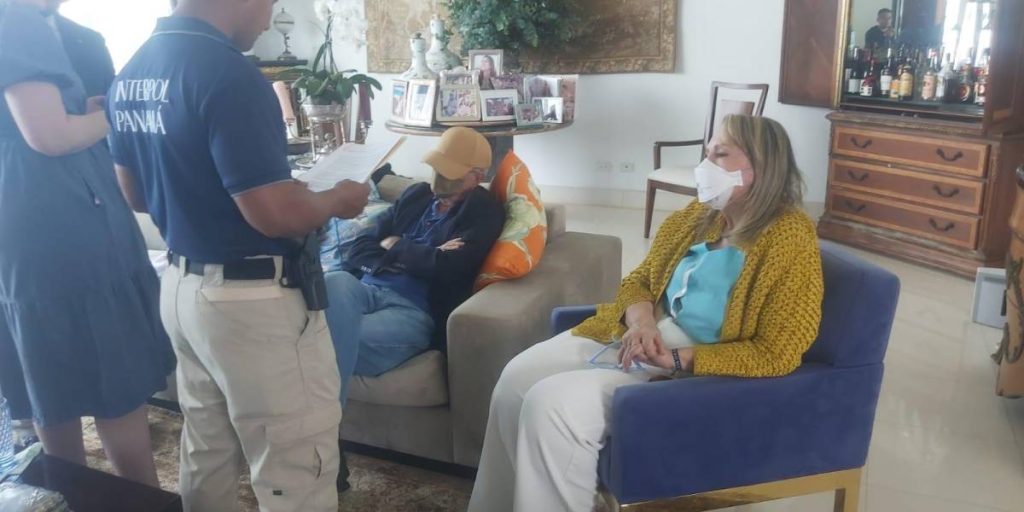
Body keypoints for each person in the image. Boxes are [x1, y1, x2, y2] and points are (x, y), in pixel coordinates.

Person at [468, 115, 825, 512]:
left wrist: (676, 358)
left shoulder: (789, 237)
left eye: (720, 155)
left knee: (550, 406)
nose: (705, 165)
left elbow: (778, 352)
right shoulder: (697, 217)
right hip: (638, 335)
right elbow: (639, 280)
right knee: (515, 378)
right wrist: (641, 323)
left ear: (761, 166)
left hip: (694, 365)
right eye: (707, 153)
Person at [107, 0, 371, 510]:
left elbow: (136, 195)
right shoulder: (230, 74)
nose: (269, 17)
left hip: (183, 288)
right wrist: (338, 199)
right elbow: (274, 215)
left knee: (208, 447)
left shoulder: (134, 70)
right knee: (295, 464)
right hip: (251, 302)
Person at [0, 0, 174, 487]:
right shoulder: (18, 20)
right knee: (112, 379)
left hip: (28, 220)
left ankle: (73, 495)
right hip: (62, 221)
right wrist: (115, 111)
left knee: (52, 380)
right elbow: (50, 137)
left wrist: (87, 114)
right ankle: (140, 499)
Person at [325, 127, 505, 402]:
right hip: (367, 288)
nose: (439, 184)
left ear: (478, 176)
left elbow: (448, 268)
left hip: (411, 309)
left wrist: (396, 245)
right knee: (334, 282)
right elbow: (360, 247)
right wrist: (424, 254)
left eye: (452, 175)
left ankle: (325, 412)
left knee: (333, 336)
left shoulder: (484, 211)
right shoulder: (417, 195)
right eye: (437, 169)